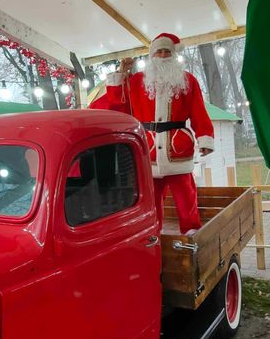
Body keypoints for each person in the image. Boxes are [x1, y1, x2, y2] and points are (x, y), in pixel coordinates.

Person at [90, 32, 214, 235]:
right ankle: (152, 235)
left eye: (167, 52)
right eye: (159, 52)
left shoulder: (188, 80)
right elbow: (118, 106)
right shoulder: (137, 81)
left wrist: (205, 138)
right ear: (152, 56)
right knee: (151, 199)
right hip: (149, 151)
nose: (163, 56)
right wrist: (121, 76)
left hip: (177, 149)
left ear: (174, 55)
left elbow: (199, 111)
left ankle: (191, 233)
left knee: (186, 197)